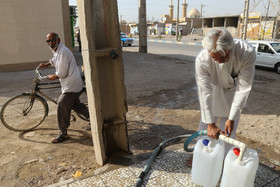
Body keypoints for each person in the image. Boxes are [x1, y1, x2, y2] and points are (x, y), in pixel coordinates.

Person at [195, 28, 256, 153]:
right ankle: (200, 154)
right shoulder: (202, 60)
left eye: (222, 57)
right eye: (214, 58)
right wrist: (211, 124)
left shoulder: (246, 52)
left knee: (228, 132)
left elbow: (243, 88)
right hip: (213, 88)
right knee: (205, 126)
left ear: (230, 47)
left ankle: (223, 159)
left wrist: (232, 118)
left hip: (233, 92)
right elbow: (204, 91)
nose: (219, 61)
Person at [39, 32, 89, 143]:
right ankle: (95, 118)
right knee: (76, 106)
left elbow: (62, 73)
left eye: (52, 40)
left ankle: (63, 133)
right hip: (69, 83)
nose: (50, 43)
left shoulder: (63, 52)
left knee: (62, 104)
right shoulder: (56, 50)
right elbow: (54, 60)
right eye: (48, 41)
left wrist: (50, 76)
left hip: (72, 84)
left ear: (58, 40)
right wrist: (47, 64)